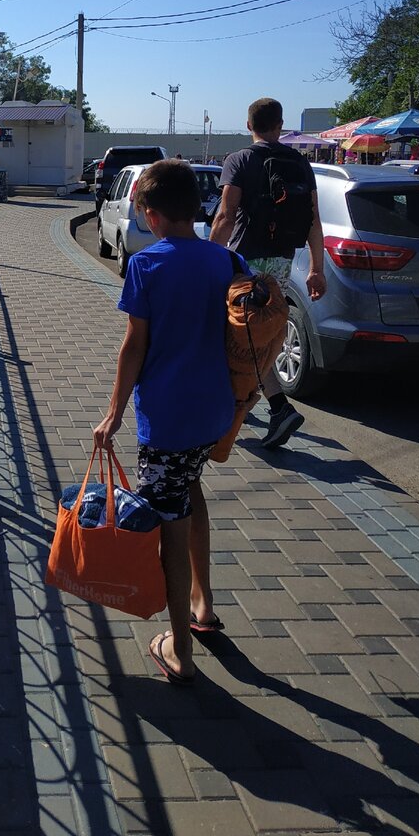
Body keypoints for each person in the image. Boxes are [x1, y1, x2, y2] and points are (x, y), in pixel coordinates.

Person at [94, 160, 243, 684]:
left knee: (169, 530)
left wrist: (113, 413)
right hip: (215, 414)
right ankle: (203, 607)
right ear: (196, 208)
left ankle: (180, 651)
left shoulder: (146, 265)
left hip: (170, 420)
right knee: (188, 490)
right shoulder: (225, 259)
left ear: (150, 214)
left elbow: (135, 345)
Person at [209, 97, 326, 449]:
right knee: (257, 341)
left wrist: (208, 257)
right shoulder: (301, 164)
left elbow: (226, 216)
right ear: (280, 126)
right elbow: (313, 222)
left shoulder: (240, 160)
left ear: (248, 126)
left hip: (244, 265)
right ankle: (272, 408)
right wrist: (316, 270)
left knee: (231, 340)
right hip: (280, 266)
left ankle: (249, 409)